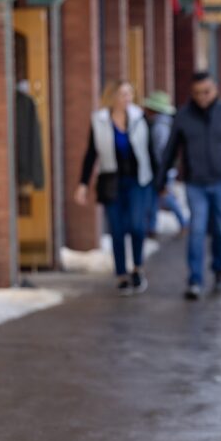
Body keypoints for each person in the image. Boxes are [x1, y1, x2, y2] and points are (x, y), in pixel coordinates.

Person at [157, 72, 221, 300]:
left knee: (219, 228)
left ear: (215, 89)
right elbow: (170, 150)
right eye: (197, 93)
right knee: (197, 229)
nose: (202, 97)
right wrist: (160, 181)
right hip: (195, 182)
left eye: (206, 92)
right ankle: (195, 280)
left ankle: (219, 270)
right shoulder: (184, 116)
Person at [75, 81, 156, 296]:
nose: (127, 98)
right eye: (122, 94)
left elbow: (150, 151)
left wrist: (158, 182)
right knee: (117, 230)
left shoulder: (140, 118)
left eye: (130, 93)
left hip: (138, 181)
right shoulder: (99, 121)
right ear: (112, 97)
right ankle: (121, 275)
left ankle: (137, 267)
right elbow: (91, 154)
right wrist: (83, 184)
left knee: (138, 226)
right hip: (111, 182)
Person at [141, 90, 188, 236]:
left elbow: (161, 152)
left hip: (162, 169)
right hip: (162, 168)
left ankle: (183, 222)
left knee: (166, 196)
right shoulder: (164, 123)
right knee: (156, 197)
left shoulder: (160, 127)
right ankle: (152, 227)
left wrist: (161, 171)